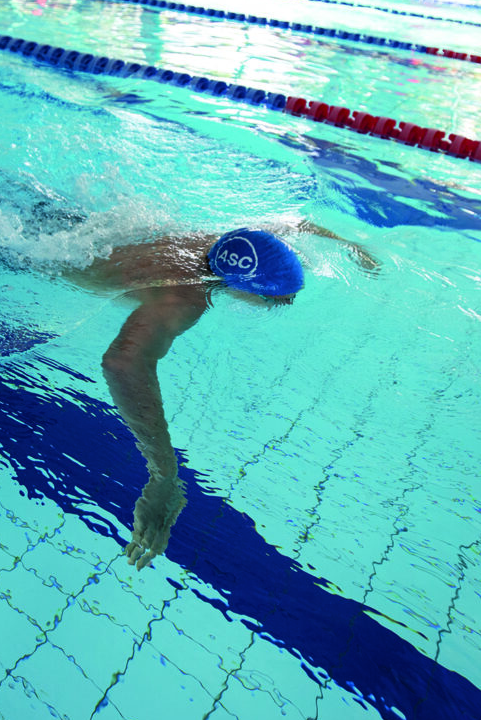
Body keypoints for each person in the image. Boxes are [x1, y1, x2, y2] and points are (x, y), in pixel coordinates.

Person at [59, 223, 378, 569]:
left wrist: (350, 244)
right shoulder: (183, 299)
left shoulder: (218, 242)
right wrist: (164, 473)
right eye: (275, 301)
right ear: (247, 289)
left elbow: (296, 225)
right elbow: (122, 362)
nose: (282, 304)